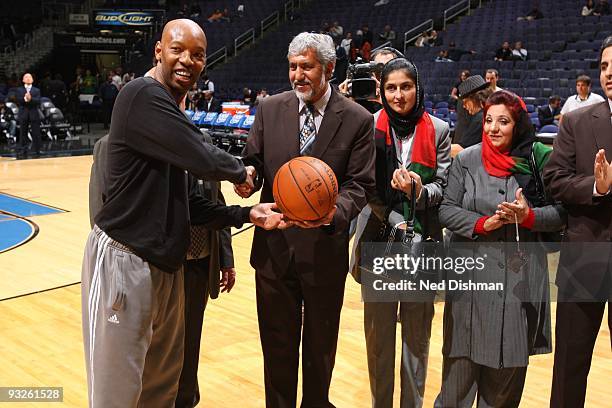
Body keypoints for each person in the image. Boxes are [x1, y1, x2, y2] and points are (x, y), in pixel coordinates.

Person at [81, 19, 286, 408]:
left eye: (198, 54)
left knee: (162, 389)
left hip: (166, 266)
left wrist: (246, 214)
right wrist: (241, 171)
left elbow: (188, 203)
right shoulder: (142, 95)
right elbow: (201, 153)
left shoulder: (170, 120)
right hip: (124, 260)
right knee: (117, 394)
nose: (187, 60)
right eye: (177, 49)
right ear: (158, 51)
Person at [236, 32, 376, 407]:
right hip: (274, 248)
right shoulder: (269, 109)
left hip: (324, 249)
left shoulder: (358, 119)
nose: (298, 75)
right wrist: (248, 177)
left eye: (307, 66)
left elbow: (360, 184)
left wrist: (335, 213)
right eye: (293, 66)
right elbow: (255, 159)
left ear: (329, 68)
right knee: (277, 349)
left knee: (320, 349)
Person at [436, 90, 565, 407]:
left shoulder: (535, 162)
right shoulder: (466, 160)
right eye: (489, 120)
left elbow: (562, 214)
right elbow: (446, 210)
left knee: (503, 392)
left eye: (503, 121)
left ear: (517, 125)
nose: (493, 128)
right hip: (470, 284)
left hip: (518, 286)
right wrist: (482, 224)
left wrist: (528, 216)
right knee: (455, 388)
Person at [350, 57, 451, 408]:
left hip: (423, 246)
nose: (398, 94)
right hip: (380, 240)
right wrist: (394, 216)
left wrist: (420, 192)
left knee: (416, 340)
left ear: (417, 88)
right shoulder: (369, 126)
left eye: (405, 86)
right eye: (390, 88)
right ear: (382, 90)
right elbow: (363, 185)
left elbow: (444, 187)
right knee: (378, 341)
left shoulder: (438, 129)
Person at [543, 35, 612, 408]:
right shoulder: (576, 121)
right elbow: (555, 179)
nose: (609, 73)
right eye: (603, 66)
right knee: (570, 365)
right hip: (585, 256)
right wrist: (597, 188)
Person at [451, 75, 493, 157]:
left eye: (465, 102)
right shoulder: (489, 113)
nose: (464, 106)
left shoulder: (480, 119)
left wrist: (435, 146)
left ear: (474, 99)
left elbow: (461, 151)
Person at [13, 73, 42, 159]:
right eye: (26, 77)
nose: (28, 78)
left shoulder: (36, 90)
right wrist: (26, 99)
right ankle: (23, 150)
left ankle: (37, 149)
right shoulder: (19, 90)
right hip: (23, 113)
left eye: (30, 77)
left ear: (32, 80)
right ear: (23, 80)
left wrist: (31, 99)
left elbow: (38, 101)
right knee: (23, 132)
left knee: (36, 132)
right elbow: (19, 100)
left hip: (34, 113)